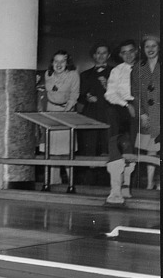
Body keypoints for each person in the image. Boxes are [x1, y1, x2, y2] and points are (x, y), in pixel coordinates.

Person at [104, 40, 138, 205]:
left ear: (136, 51)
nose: (128, 55)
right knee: (119, 145)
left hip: (143, 109)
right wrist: (127, 105)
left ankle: (127, 186)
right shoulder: (117, 71)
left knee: (135, 147)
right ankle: (115, 191)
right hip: (121, 108)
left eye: (131, 51)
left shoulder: (146, 68)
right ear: (120, 55)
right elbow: (110, 94)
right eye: (124, 52)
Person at [130, 35, 162, 190]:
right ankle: (150, 184)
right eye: (147, 46)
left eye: (153, 46)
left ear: (159, 48)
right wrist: (141, 113)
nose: (150, 49)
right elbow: (135, 94)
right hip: (148, 116)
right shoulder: (138, 67)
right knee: (151, 149)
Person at [43, 50, 80, 184]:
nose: (59, 64)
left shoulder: (73, 75)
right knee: (52, 149)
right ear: (52, 63)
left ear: (67, 62)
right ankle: (53, 182)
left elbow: (74, 95)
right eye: (56, 61)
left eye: (62, 61)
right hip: (50, 110)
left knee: (66, 150)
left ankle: (71, 182)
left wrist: (64, 112)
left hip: (66, 111)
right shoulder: (48, 74)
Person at [78, 42, 112, 158]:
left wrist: (108, 87)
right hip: (90, 114)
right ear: (94, 55)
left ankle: (108, 175)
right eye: (98, 53)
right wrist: (86, 97)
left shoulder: (115, 72)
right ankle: (90, 173)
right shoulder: (84, 75)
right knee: (90, 148)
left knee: (108, 149)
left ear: (108, 55)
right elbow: (80, 96)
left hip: (109, 113)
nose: (101, 56)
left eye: (104, 53)